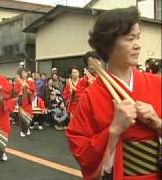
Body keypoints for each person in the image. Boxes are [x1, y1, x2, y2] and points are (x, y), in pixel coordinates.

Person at [66, 7, 161, 180]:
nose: (138, 45)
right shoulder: (90, 96)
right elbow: (80, 150)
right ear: (108, 44)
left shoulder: (158, 84)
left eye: (138, 37)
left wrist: (158, 123)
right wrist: (114, 130)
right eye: (130, 39)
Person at [14, 68, 36, 137]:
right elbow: (15, 91)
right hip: (21, 100)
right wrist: (21, 88)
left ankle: (27, 128)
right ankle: (22, 130)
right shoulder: (18, 82)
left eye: (26, 73)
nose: (25, 74)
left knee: (28, 116)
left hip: (28, 100)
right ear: (20, 74)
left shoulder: (30, 81)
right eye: (23, 73)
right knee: (22, 116)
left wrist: (28, 87)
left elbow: (33, 89)